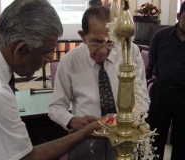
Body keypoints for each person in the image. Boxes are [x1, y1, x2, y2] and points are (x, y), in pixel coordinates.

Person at [0, 0, 103, 160]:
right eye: (46, 52)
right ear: (20, 49)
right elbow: (25, 158)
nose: (49, 60)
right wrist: (83, 134)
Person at [48, 6, 150, 160]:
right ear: (83, 36)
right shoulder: (70, 61)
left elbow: (143, 98)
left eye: (110, 43)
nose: (103, 51)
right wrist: (74, 121)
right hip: (85, 139)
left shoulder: (129, 53)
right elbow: (55, 107)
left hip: (124, 138)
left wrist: (126, 121)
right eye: (96, 42)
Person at [148, 2, 185, 160]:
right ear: (178, 17)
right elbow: (152, 60)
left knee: (182, 139)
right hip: (161, 91)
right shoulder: (161, 36)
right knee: (156, 136)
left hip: (184, 95)